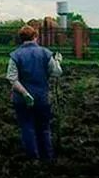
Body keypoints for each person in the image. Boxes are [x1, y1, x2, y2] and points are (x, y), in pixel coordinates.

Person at [6, 25, 63, 160]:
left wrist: (25, 94)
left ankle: (33, 158)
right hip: (42, 98)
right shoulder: (45, 53)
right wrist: (58, 61)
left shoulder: (15, 55)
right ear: (35, 37)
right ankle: (48, 157)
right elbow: (56, 73)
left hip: (21, 100)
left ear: (21, 39)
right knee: (44, 128)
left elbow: (12, 78)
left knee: (27, 126)